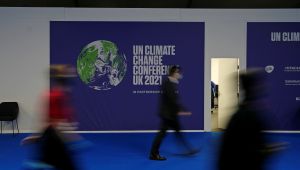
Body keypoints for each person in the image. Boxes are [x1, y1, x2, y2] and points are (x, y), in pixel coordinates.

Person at [217, 69, 286, 170]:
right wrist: (271, 150)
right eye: (260, 85)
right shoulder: (251, 117)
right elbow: (251, 153)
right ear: (254, 88)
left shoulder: (237, 116)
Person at [149, 65, 198, 161]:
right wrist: (182, 111)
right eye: (178, 72)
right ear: (174, 73)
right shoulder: (168, 83)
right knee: (162, 134)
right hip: (168, 115)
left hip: (171, 114)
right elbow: (172, 100)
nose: (180, 74)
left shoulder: (172, 82)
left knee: (178, 132)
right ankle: (153, 154)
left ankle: (189, 150)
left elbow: (174, 100)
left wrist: (181, 110)